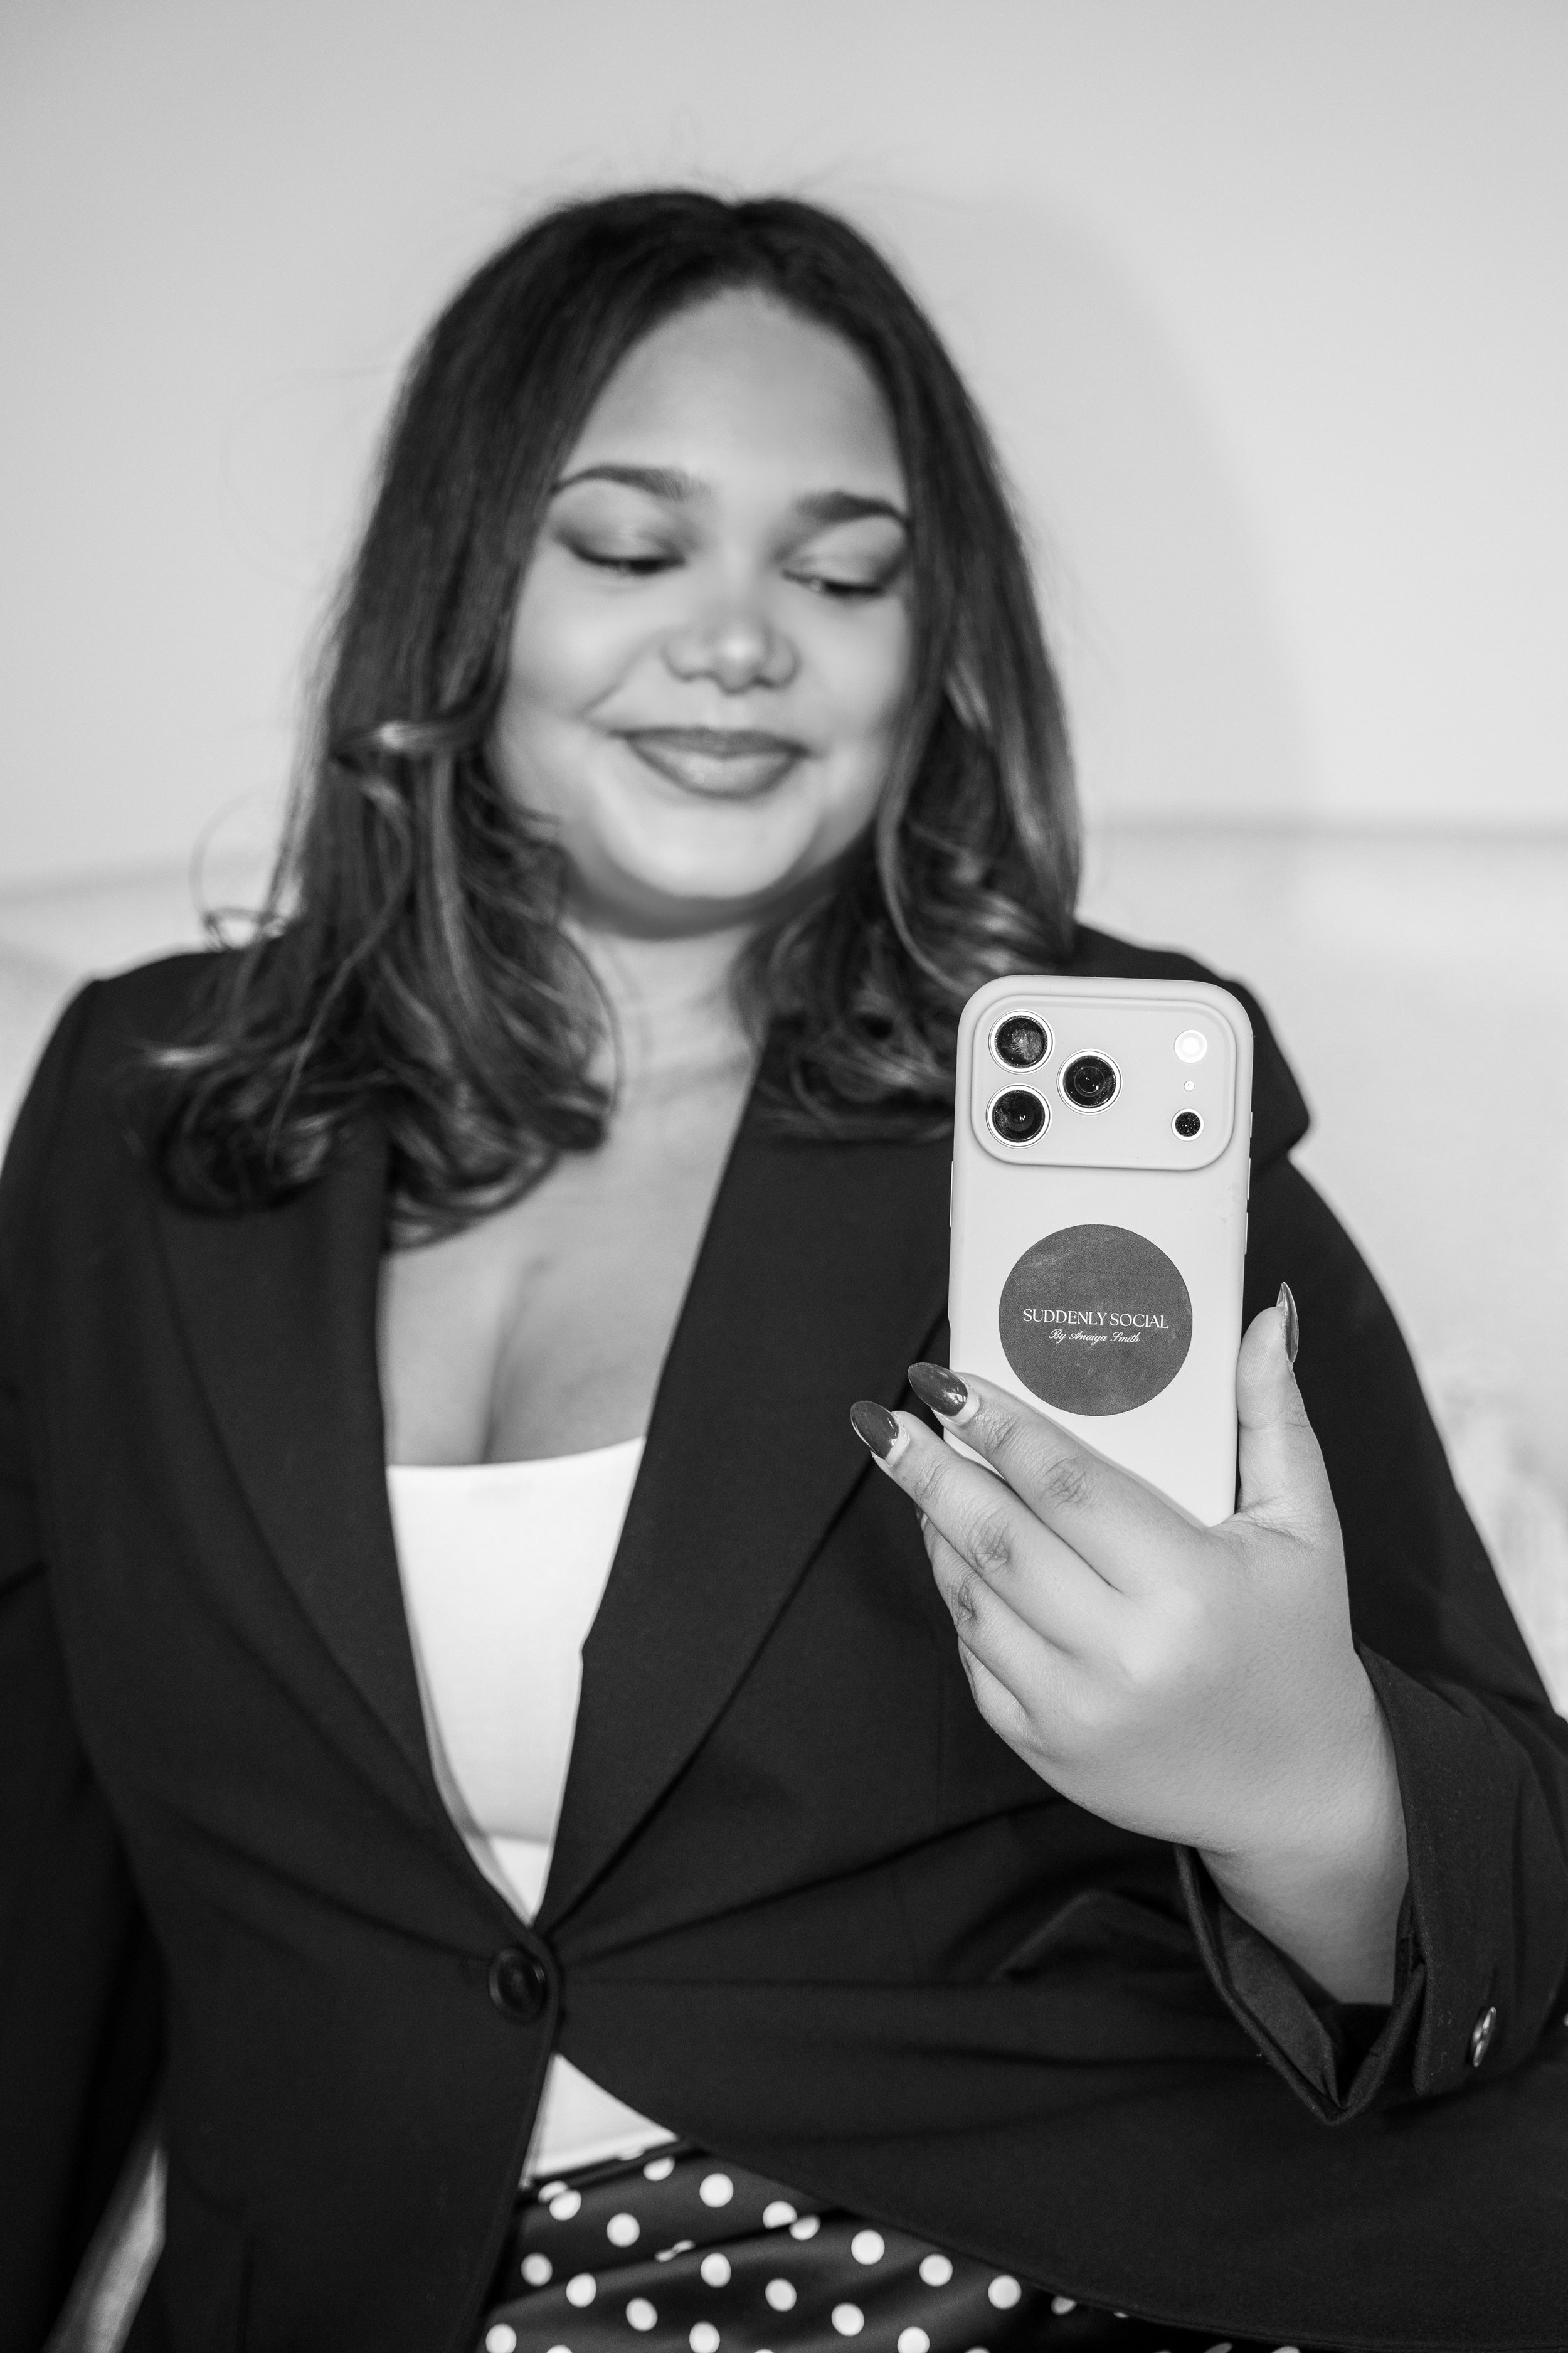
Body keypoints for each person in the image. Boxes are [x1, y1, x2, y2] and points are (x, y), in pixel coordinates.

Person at [1, 189, 1565, 2353]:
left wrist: (1300, 1786)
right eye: (630, 550)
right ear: (458, 591)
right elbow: (36, 1870)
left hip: (1056, 2284)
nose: (741, 642)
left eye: (839, 573)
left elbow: (1517, 1894)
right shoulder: (135, 1111)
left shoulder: (1099, 1106)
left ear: (928, 648)